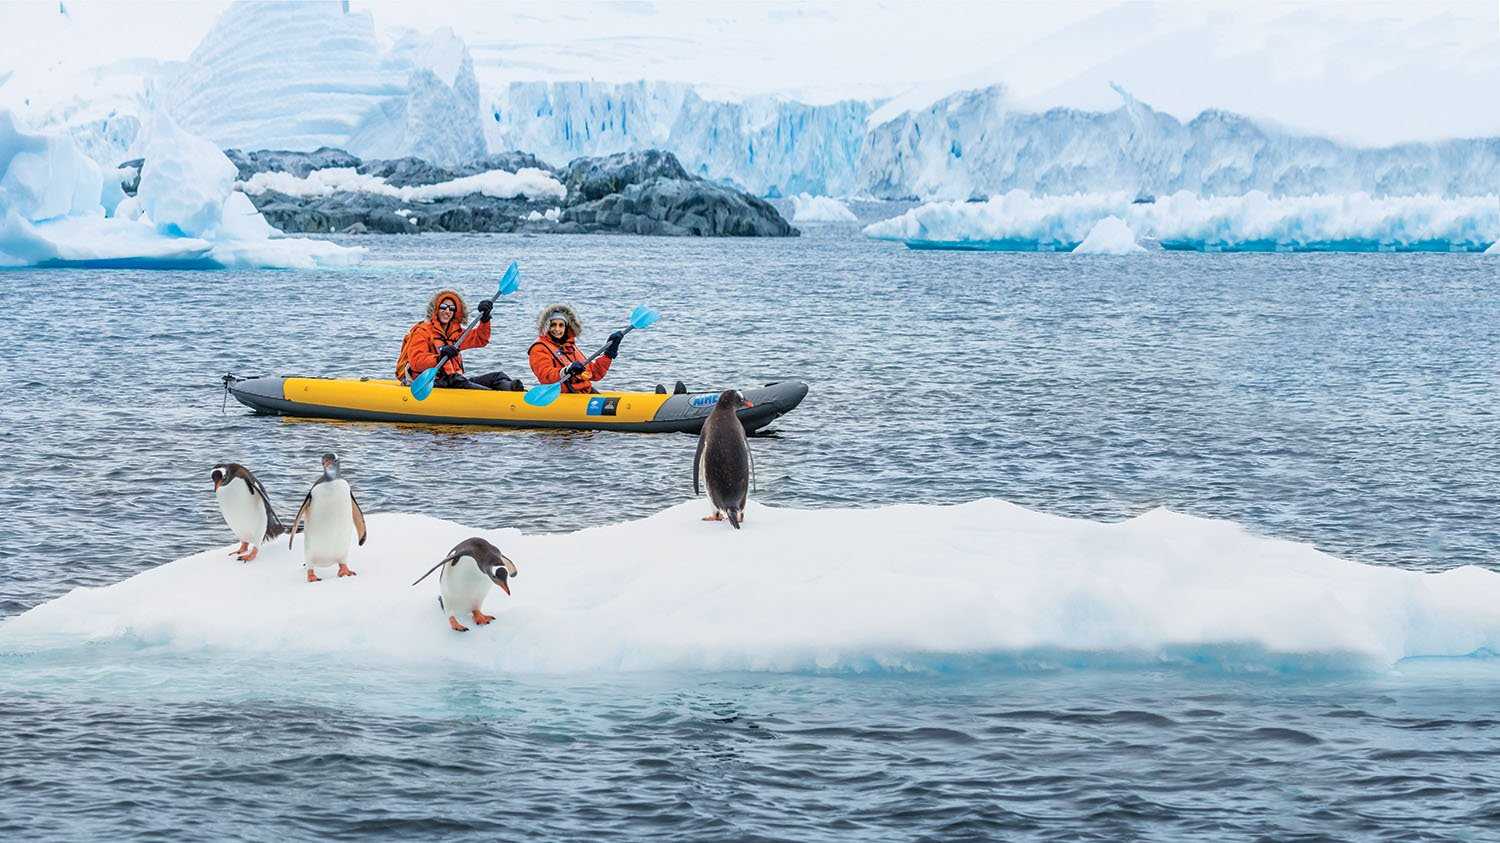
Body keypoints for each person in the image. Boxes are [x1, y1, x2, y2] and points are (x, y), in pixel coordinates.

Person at [396, 289, 524, 390]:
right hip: (429, 383)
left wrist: (485, 320)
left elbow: (480, 339)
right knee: (457, 379)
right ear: (436, 309)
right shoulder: (422, 331)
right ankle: (493, 397)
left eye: (451, 308)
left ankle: (512, 390)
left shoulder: (456, 333)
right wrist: (439, 357)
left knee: (497, 376)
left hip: (453, 381)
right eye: (443, 307)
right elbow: (416, 361)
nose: (447, 311)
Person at [528, 304, 623, 394]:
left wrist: (609, 353)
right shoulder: (539, 348)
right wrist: (566, 370)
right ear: (547, 327)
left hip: (583, 393)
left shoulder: (570, 347)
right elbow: (545, 376)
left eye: (561, 325)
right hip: (563, 396)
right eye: (553, 325)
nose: (557, 329)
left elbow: (594, 373)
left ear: (566, 328)